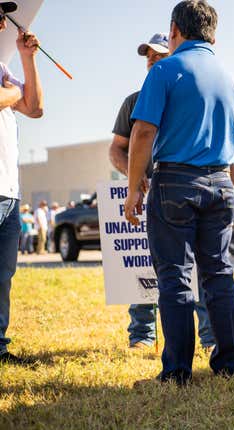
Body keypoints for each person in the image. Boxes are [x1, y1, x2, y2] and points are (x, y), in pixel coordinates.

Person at [124, 0, 234, 385]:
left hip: (175, 180)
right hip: (222, 182)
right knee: (219, 273)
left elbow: (142, 133)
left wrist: (132, 191)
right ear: (213, 33)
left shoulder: (164, 70)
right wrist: (228, 185)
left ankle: (177, 370)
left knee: (174, 277)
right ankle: (228, 363)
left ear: (175, 30)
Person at [109, 32, 215, 351]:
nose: (153, 60)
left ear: (174, 54)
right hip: (151, 195)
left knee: (195, 267)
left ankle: (208, 337)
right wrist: (135, 176)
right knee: (145, 262)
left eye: (159, 54)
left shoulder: (193, 95)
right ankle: (142, 333)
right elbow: (117, 149)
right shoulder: (134, 101)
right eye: (148, 57)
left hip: (186, 189)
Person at [0, 1, 44, 364]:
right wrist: (11, 94)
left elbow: (35, 106)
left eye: (3, 17)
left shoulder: (2, 68)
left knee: (3, 275)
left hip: (9, 193)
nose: (2, 23)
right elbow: (11, 98)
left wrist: (26, 57)